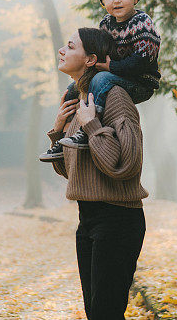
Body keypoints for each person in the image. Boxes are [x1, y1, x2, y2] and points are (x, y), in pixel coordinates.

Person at [46, 27, 149, 320]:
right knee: (96, 314)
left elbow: (125, 165)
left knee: (105, 314)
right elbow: (72, 171)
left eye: (70, 46)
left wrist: (91, 126)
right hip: (87, 219)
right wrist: (58, 132)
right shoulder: (81, 100)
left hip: (118, 220)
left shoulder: (115, 97)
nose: (61, 51)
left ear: (91, 59)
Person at [39, 0, 161, 162]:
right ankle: (63, 140)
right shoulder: (106, 23)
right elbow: (101, 51)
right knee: (74, 88)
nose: (116, 1)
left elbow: (142, 61)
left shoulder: (142, 23)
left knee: (102, 79)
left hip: (140, 82)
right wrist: (87, 68)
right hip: (113, 74)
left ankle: (88, 129)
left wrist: (111, 67)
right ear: (103, 2)